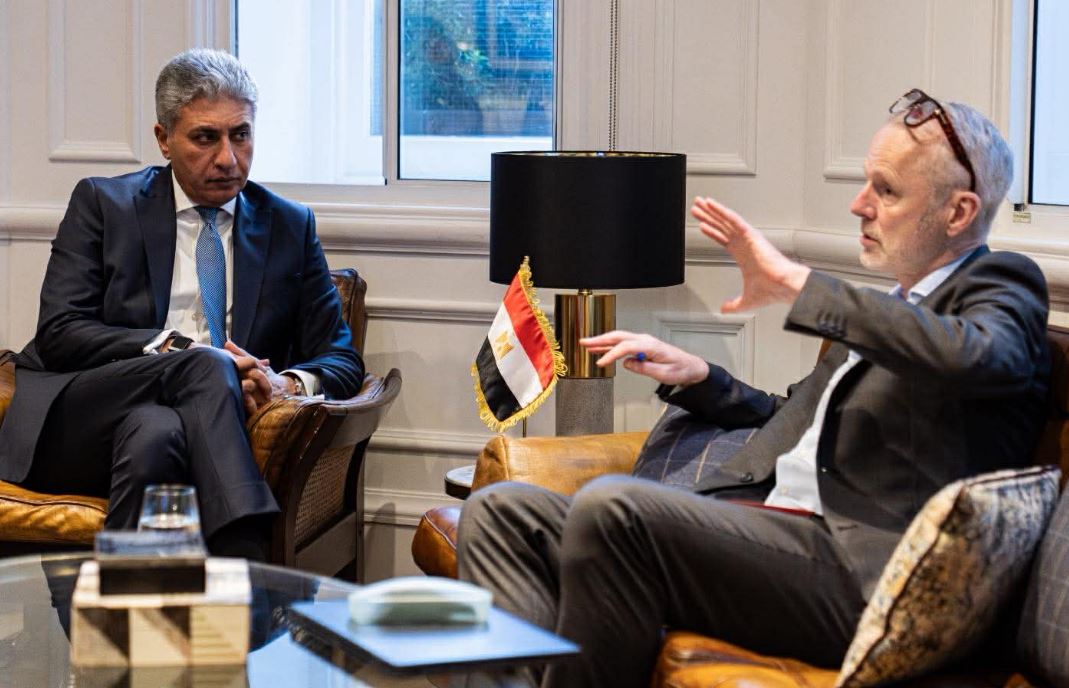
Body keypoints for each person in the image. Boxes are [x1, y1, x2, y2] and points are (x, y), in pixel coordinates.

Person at [456, 89, 1050, 687]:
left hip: (856, 572)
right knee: (504, 511)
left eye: (886, 190)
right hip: (768, 531)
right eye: (866, 183)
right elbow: (794, 419)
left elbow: (983, 356)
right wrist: (701, 377)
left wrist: (798, 283)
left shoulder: (1000, 284)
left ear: (958, 213)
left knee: (614, 509)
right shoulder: (888, 309)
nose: (859, 205)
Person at [0, 49, 364, 558]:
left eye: (241, 134)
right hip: (82, 423)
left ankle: (125, 605)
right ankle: (244, 547)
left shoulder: (289, 225)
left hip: (185, 433)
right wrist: (178, 350)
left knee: (155, 435)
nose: (228, 158)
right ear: (163, 139)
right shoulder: (103, 204)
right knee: (205, 363)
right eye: (205, 138)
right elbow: (60, 331)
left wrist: (286, 384)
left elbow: (342, 359)